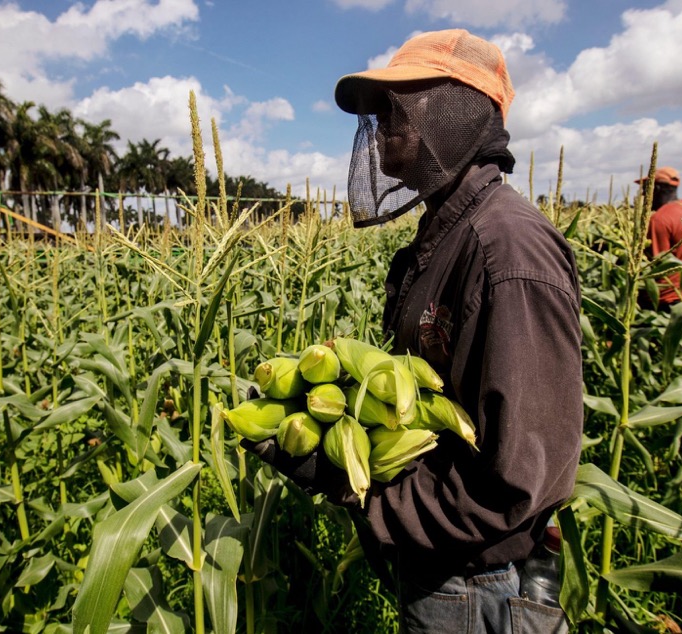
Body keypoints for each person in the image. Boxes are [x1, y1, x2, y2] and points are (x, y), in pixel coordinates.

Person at [245, 29, 582, 633]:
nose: (381, 126)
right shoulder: (446, 233)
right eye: (379, 112)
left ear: (458, 111)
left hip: (481, 586)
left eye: (399, 106)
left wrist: (354, 488)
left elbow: (515, 478)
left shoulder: (506, 247)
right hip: (444, 571)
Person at [636, 166, 682, 308]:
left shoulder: (659, 219)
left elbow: (658, 262)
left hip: (671, 297)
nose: (643, 195)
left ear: (656, 189)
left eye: (645, 189)